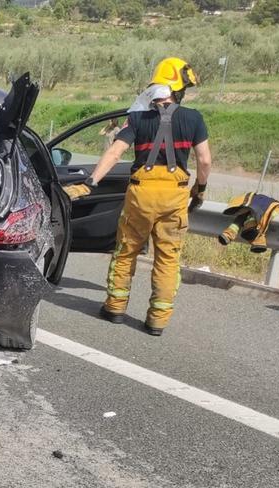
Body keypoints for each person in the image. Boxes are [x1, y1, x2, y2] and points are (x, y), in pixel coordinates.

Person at [66, 57, 211, 336]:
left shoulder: (137, 118)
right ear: (178, 89)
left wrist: (91, 181)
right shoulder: (194, 119)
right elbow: (204, 161)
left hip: (140, 193)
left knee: (126, 251)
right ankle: (157, 319)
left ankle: (116, 307)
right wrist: (200, 190)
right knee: (167, 259)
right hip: (175, 195)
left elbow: (114, 153)